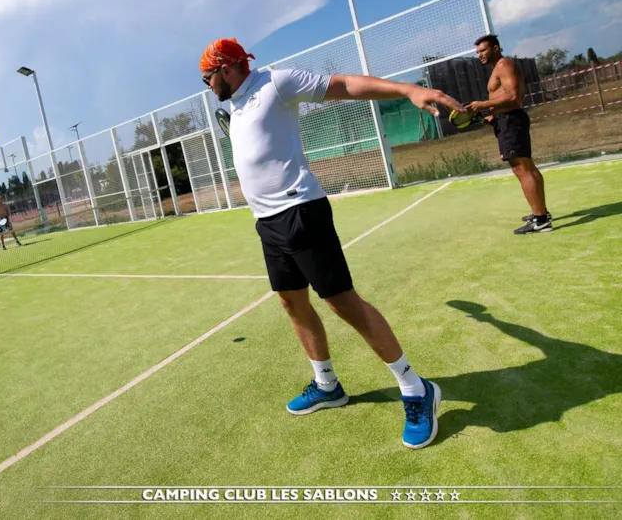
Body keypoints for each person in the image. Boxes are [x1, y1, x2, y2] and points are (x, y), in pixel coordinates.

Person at [200, 37, 464, 449]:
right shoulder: (232, 104)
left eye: (207, 78)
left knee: (343, 303)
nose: (206, 86)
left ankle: (416, 388)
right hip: (266, 222)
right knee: (292, 302)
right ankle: (328, 386)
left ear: (227, 68)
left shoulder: (277, 82)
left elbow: (344, 85)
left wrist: (409, 89)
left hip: (301, 212)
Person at [467, 34, 552, 234]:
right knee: (526, 168)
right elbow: (506, 96)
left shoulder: (504, 64)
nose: (480, 55)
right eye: (478, 52)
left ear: (496, 48)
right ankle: (541, 213)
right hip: (507, 120)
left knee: (522, 170)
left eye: (483, 50)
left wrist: (482, 105)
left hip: (512, 121)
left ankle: (541, 221)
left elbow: (513, 96)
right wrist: (493, 117)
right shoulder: (499, 68)